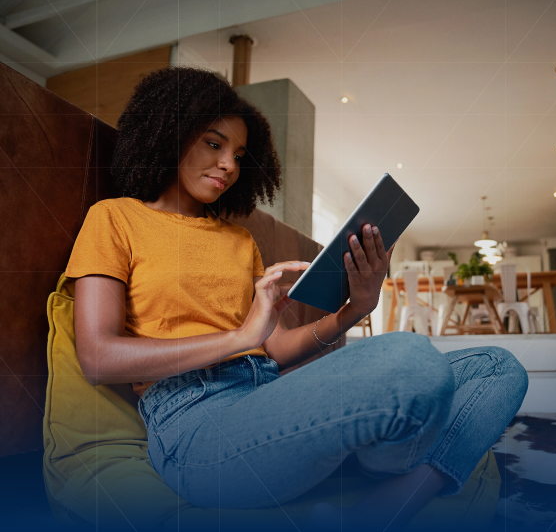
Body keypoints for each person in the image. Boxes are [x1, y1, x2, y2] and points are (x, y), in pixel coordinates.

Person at [65, 67, 528, 532]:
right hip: (194, 427)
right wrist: (240, 336)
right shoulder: (115, 218)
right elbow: (98, 357)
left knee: (497, 367)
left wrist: (354, 310)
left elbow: (274, 349)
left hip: (265, 395)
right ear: (170, 132)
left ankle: (383, 510)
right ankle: (389, 454)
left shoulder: (239, 241)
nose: (228, 164)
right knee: (412, 360)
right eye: (213, 143)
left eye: (239, 154)